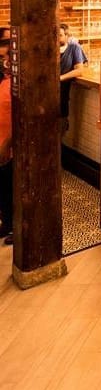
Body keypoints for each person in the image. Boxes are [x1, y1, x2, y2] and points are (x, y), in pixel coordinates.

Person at [60, 23, 87, 135]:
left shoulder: (74, 47)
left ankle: (59, 145)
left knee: (61, 121)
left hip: (62, 92)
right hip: (47, 93)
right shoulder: (49, 48)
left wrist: (61, 78)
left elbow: (80, 70)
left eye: (60, 35)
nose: (57, 38)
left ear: (67, 36)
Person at [0, 39, 12, 246]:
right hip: (2, 142)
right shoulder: (5, 81)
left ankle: (15, 226)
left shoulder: (19, 85)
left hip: (9, 148)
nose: (4, 61)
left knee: (11, 189)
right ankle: (7, 223)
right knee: (3, 189)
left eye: (5, 56)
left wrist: (6, 145)